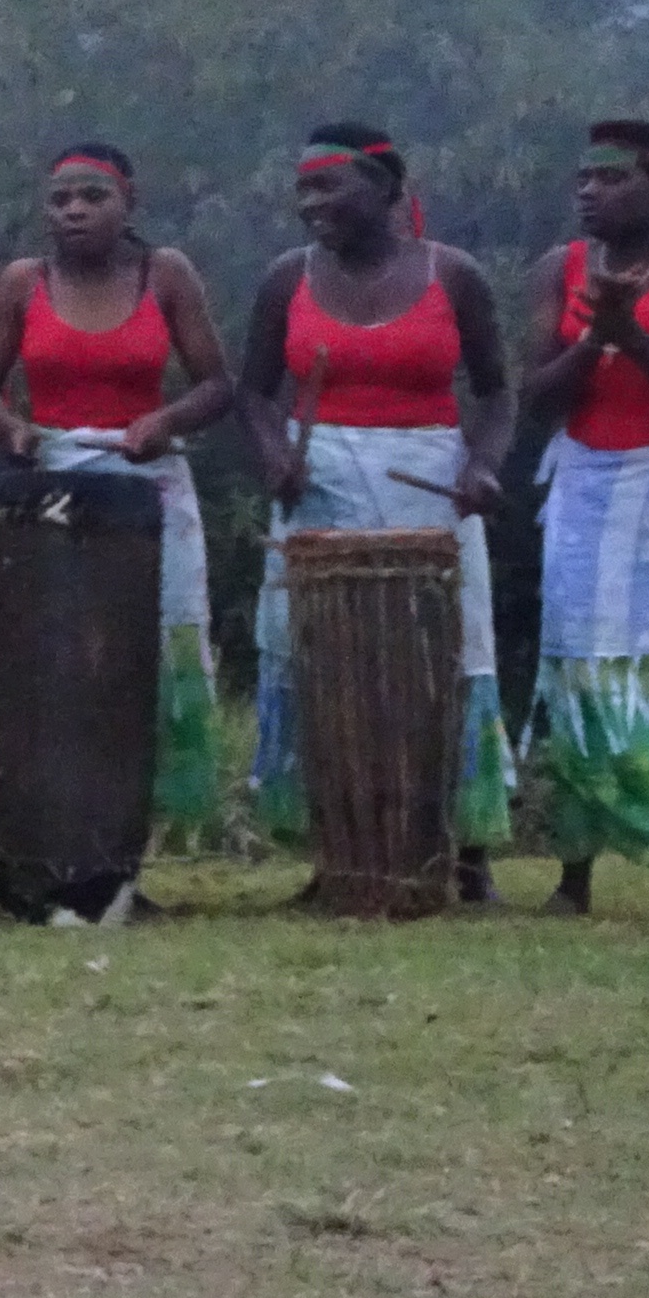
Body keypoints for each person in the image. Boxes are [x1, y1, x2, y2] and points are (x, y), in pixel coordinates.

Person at [234, 123, 513, 898]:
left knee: (440, 663)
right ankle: (343, 849)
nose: (311, 203)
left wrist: (484, 467)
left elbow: (496, 392)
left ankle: (462, 852)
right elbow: (252, 393)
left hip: (428, 481)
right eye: (304, 189)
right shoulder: (285, 278)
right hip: (317, 484)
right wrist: (274, 458)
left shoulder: (452, 275)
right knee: (324, 663)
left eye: (330, 186)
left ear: (389, 191)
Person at [0, 140, 236, 840]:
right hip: (55, 492)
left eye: (94, 197)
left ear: (130, 203)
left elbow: (218, 384)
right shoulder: (23, 283)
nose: (75, 211)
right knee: (68, 657)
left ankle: (141, 836)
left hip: (150, 484)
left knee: (153, 650)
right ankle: (69, 829)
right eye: (60, 200)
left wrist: (166, 420)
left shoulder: (166, 274)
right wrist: (14, 433)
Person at [513, 117, 649, 907]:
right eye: (583, 179)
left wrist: (636, 337)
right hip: (587, 485)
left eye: (613, 178)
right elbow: (534, 395)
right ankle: (573, 872)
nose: (590, 191)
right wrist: (598, 337)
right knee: (580, 665)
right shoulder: (563, 268)